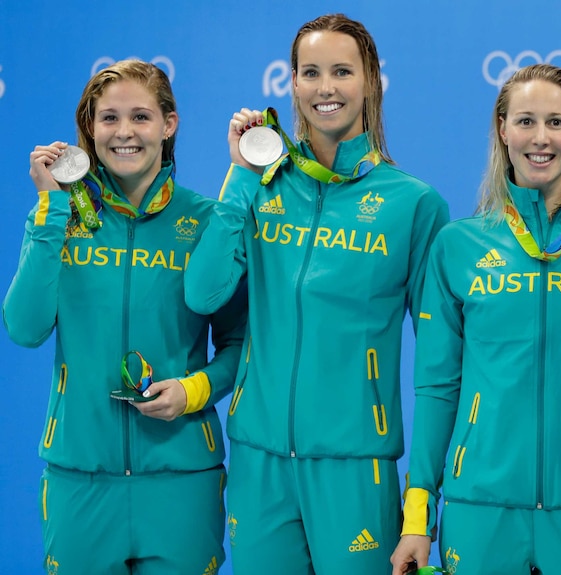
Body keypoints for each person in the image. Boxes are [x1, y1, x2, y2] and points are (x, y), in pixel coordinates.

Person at [183, 13, 449, 575]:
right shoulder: (262, 187)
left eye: (342, 71)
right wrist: (240, 177)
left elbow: (440, 364)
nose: (325, 88)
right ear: (293, 83)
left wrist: (421, 500)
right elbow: (204, 294)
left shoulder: (414, 204)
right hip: (259, 462)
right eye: (310, 72)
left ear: (371, 80)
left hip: (356, 467)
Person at [390, 63, 561, 575]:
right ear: (502, 129)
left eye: (556, 122)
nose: (540, 138)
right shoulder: (458, 245)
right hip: (479, 507)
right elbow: (438, 386)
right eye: (525, 121)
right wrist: (417, 517)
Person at [3, 59, 246, 575]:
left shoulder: (206, 219)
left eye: (140, 116)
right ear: (90, 129)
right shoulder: (56, 218)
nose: (124, 132)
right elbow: (24, 329)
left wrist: (194, 391)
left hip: (181, 477)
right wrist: (48, 208)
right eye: (108, 118)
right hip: (80, 479)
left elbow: (240, 345)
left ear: (169, 124)